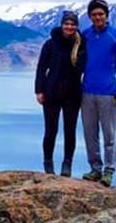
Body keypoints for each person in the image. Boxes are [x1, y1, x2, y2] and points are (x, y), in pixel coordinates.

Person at [80, 0, 116, 187]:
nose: (97, 17)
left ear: (107, 15)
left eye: (100, 14)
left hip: (108, 94)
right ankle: (95, 169)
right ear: (89, 16)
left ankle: (109, 170)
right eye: (94, 14)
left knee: (109, 135)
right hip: (86, 93)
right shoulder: (85, 35)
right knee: (89, 134)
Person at [34, 10, 86, 176]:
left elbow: (82, 68)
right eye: (67, 24)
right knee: (51, 130)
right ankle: (48, 162)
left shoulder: (81, 45)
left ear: (76, 26)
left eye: (72, 24)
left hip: (73, 94)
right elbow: (41, 68)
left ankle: (67, 164)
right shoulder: (50, 44)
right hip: (52, 93)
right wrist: (39, 90)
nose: (69, 27)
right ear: (62, 25)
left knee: (70, 131)